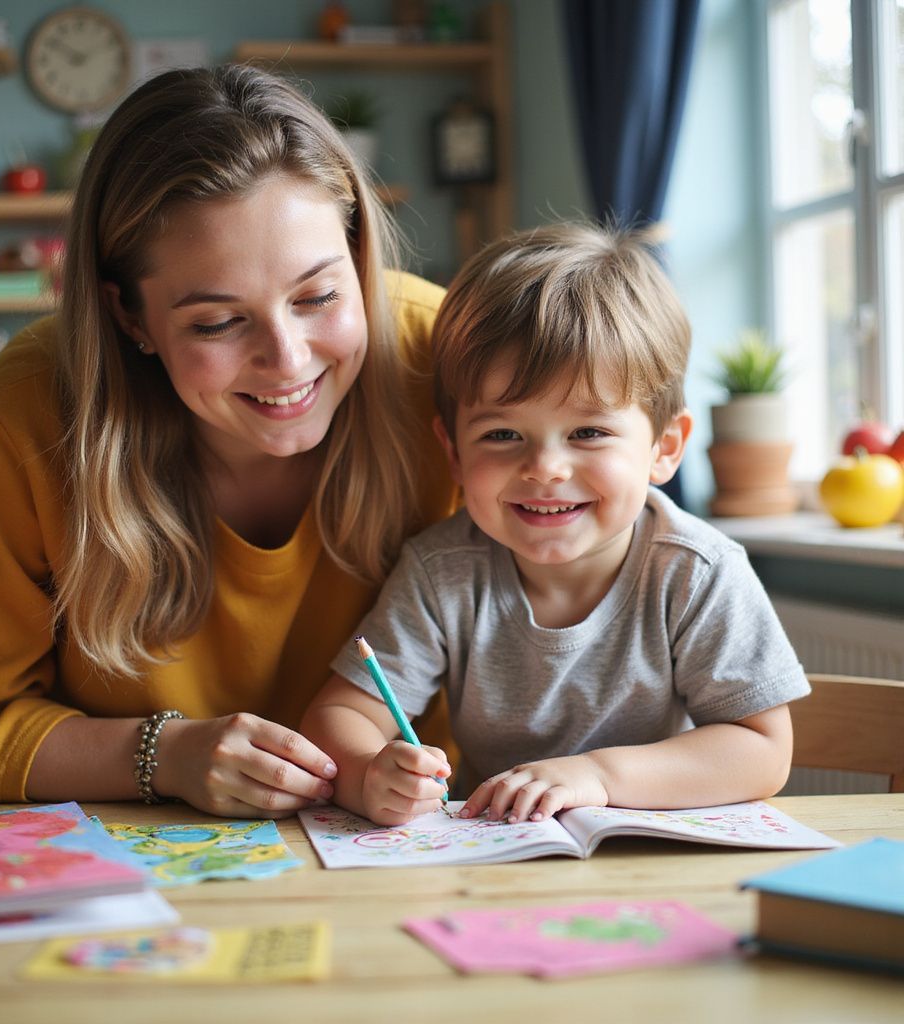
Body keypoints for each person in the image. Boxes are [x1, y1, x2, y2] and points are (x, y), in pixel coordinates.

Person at [0, 64, 458, 812]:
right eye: (216, 322)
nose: (287, 359)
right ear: (129, 318)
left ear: (358, 254)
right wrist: (163, 755)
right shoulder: (25, 410)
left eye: (318, 295)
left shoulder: (448, 357)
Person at [301, 222, 810, 827]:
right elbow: (339, 719)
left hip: (642, 868)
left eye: (588, 432)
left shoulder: (697, 571)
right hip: (487, 865)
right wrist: (369, 773)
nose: (544, 469)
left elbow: (762, 750)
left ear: (664, 447)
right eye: (502, 434)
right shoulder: (443, 572)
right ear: (455, 453)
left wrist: (596, 776)